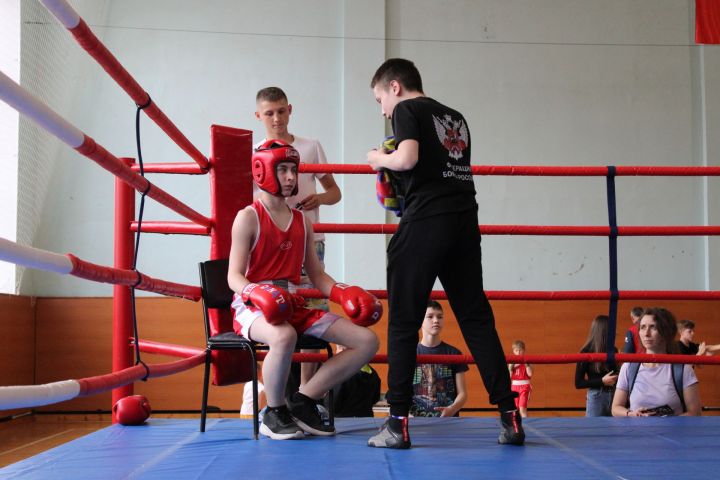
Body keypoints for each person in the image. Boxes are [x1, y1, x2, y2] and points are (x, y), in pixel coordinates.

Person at [365, 58, 523, 449]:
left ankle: (397, 422)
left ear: (395, 87)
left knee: (403, 322)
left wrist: (377, 159)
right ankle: (511, 416)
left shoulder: (406, 109)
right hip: (464, 221)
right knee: (476, 317)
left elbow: (408, 158)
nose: (383, 110)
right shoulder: (456, 116)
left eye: (379, 99)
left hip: (425, 223)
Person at [228, 140, 380, 440]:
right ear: (261, 171)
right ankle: (273, 411)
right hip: (251, 307)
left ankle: (304, 399)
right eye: (282, 169)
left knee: (366, 341)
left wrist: (342, 292)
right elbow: (233, 276)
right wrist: (256, 293)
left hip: (291, 302)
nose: (289, 177)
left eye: (293, 170)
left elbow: (317, 275)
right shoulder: (248, 216)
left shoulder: (302, 221)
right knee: (284, 335)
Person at [254, 86, 343, 387]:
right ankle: (272, 392)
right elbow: (251, 203)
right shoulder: (256, 154)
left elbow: (335, 192)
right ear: (259, 116)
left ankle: (307, 392)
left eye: (281, 111)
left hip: (309, 240)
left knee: (312, 309)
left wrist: (317, 199)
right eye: (269, 113)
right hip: (271, 243)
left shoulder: (310, 146)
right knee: (272, 311)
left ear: (290, 110)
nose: (276, 118)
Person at [611, 308, 701, 417]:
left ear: (665, 331)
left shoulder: (682, 369)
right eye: (643, 327)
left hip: (672, 433)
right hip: (638, 432)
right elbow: (615, 408)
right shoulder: (629, 367)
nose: (646, 333)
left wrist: (667, 423)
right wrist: (632, 414)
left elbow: (695, 413)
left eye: (653, 327)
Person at [410, 301, 469, 417]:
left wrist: (452, 409)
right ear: (420, 320)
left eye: (440, 317)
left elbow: (462, 393)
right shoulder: (410, 353)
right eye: (430, 316)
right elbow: (402, 390)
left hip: (448, 420)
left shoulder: (454, 353)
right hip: (416, 421)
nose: (436, 320)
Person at [574, 315, 618, 417]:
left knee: (612, 431)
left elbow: (613, 374)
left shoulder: (613, 350)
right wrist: (601, 381)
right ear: (605, 331)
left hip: (613, 395)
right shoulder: (586, 352)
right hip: (596, 396)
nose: (615, 333)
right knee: (594, 430)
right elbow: (578, 383)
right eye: (612, 330)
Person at [325, 344, 382, 417]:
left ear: (343, 351)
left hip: (342, 422)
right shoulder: (372, 372)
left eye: (338, 348)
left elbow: (332, 404)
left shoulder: (341, 374)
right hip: (366, 418)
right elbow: (376, 398)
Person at [509, 340, 532, 418]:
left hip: (524, 386)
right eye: (516, 350)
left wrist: (527, 365)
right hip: (514, 387)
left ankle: (525, 426)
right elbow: (510, 376)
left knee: (522, 409)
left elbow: (530, 374)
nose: (518, 352)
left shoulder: (527, 360)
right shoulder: (511, 361)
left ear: (523, 350)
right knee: (515, 409)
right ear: (513, 351)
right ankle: (516, 426)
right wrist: (511, 368)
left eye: (520, 350)